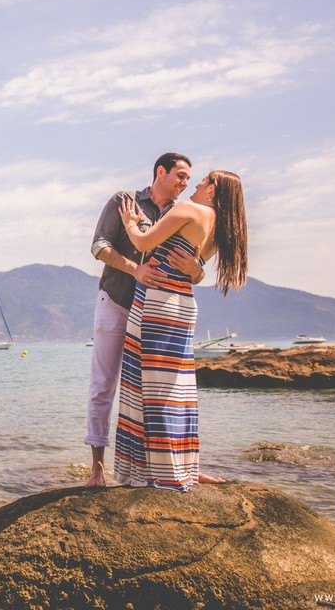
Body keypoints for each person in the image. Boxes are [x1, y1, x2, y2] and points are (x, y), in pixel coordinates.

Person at [113, 170, 248, 491]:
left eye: (202, 181)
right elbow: (194, 272)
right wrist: (197, 271)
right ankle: (183, 465)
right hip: (183, 305)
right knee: (178, 391)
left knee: (150, 388)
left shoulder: (189, 210)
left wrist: (130, 221)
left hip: (157, 301)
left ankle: (160, 473)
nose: (195, 185)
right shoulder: (221, 227)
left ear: (213, 190)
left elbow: (144, 242)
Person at [84, 153, 205, 488]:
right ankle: (97, 467)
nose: (185, 183)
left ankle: (168, 466)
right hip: (116, 301)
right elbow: (98, 247)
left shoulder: (183, 214)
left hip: (154, 315)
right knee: (103, 385)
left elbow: (196, 265)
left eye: (188, 178)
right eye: (180, 175)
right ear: (160, 172)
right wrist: (134, 269)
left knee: (158, 391)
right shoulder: (124, 201)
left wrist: (197, 271)